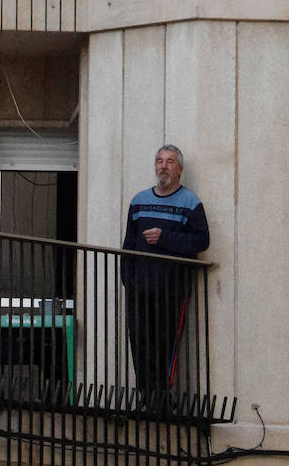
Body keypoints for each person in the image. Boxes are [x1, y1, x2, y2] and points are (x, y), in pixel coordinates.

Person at [122, 145, 209, 408]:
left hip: (171, 289)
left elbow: (201, 240)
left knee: (164, 344)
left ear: (179, 169)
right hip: (140, 288)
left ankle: (162, 400)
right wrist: (128, 280)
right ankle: (148, 399)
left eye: (170, 162)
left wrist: (165, 237)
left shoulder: (190, 203)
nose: (163, 166)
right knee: (140, 343)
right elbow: (128, 244)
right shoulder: (138, 201)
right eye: (159, 161)